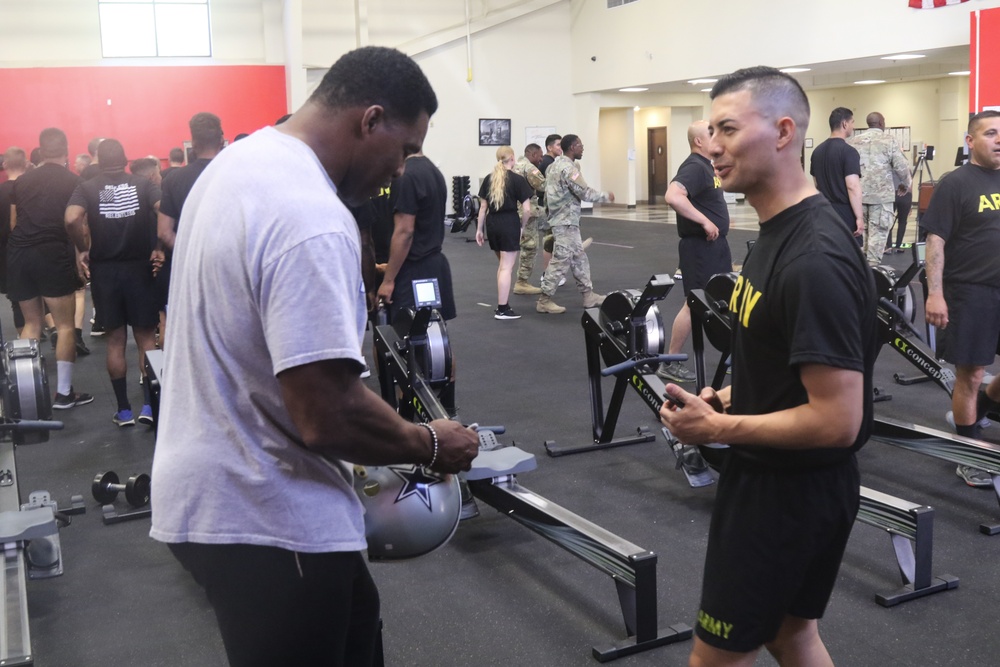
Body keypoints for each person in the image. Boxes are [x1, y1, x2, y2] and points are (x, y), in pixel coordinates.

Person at [149, 46, 479, 666]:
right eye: (404, 149)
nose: (398, 171)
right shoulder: (311, 217)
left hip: (219, 494)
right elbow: (327, 414)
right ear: (369, 119)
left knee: (358, 627)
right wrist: (431, 444)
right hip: (268, 514)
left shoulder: (238, 164)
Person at [659, 66, 877, 667]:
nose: (712, 145)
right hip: (789, 482)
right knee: (791, 636)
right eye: (709, 131)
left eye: (727, 129)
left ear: (784, 132)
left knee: (715, 660)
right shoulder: (778, 234)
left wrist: (719, 430)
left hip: (784, 495)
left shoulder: (813, 256)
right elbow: (791, 362)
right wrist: (731, 396)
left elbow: (837, 419)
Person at [921, 110, 1000, 488]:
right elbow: (935, 241)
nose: (999, 139)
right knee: (971, 373)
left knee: (981, 381)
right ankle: (967, 454)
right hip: (970, 291)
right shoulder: (956, 183)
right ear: (971, 141)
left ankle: (982, 406)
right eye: (991, 133)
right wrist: (935, 293)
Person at [65, 138, 161, 427]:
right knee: (146, 340)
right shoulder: (143, 185)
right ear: (126, 159)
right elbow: (163, 207)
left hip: (106, 272)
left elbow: (71, 219)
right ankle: (149, 405)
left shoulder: (87, 188)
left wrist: (82, 248)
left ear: (98, 162)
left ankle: (123, 411)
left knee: (116, 342)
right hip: (140, 269)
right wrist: (159, 244)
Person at [7, 127, 93, 409]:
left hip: (20, 254)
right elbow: (78, 222)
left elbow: (13, 224)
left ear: (41, 152)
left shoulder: (21, 182)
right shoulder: (74, 181)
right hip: (52, 252)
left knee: (31, 323)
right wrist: (83, 250)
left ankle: (23, 398)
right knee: (66, 325)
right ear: (66, 150)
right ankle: (64, 394)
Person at [656, 120, 732, 384]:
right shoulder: (694, 167)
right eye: (712, 134)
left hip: (714, 246)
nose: (718, 138)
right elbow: (673, 196)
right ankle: (670, 361)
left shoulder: (705, 167)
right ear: (699, 141)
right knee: (694, 303)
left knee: (723, 299)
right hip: (700, 248)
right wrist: (705, 221)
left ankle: (731, 356)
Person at [155, 112, 224, 348]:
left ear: (193, 144)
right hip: (230, 270)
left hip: (187, 270)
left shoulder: (175, 179)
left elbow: (164, 232)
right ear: (222, 141)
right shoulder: (236, 173)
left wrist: (192, 251)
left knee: (187, 337)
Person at [536, 134, 613, 314]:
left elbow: (547, 194)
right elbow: (584, 192)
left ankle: (588, 295)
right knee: (561, 260)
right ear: (571, 147)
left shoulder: (554, 166)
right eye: (579, 145)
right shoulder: (568, 169)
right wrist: (605, 196)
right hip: (565, 221)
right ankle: (544, 300)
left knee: (579, 258)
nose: (582, 148)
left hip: (562, 219)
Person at [475, 146, 533, 319]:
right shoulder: (518, 180)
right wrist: (522, 226)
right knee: (506, 268)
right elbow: (527, 209)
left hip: (493, 224)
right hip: (509, 223)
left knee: (502, 266)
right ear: (513, 158)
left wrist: (479, 230)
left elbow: (482, 208)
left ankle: (502, 305)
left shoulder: (488, 179)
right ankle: (502, 308)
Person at [848, 111, 911, 265]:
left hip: (858, 198)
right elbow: (902, 167)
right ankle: (873, 277)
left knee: (862, 240)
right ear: (881, 123)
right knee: (877, 242)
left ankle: (861, 275)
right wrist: (906, 184)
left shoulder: (853, 141)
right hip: (881, 200)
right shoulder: (889, 140)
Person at [810, 107, 863, 240]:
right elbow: (852, 186)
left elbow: (816, 184)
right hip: (845, 214)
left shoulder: (817, 152)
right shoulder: (849, 152)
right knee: (848, 256)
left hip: (824, 212)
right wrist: (859, 217)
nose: (853, 126)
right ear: (845, 124)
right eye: (852, 122)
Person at [511, 143, 546, 295]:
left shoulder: (514, 165)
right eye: (539, 155)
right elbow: (544, 185)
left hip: (512, 211)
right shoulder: (529, 168)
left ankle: (521, 281)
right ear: (532, 155)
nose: (541, 158)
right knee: (530, 246)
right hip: (527, 212)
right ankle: (522, 282)